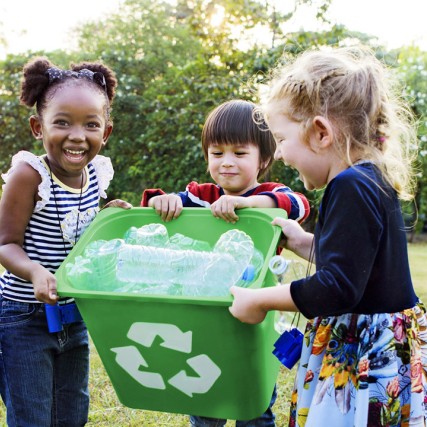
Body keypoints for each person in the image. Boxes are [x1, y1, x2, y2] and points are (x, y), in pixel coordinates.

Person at [229, 46, 427, 427]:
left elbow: (338, 287)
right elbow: (357, 264)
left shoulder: (349, 185)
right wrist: (301, 240)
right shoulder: (371, 176)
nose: (282, 154)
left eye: (282, 139)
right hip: (385, 344)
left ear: (320, 132)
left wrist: (260, 300)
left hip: (363, 354)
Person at [141, 99, 310, 427]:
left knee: (254, 399)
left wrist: (248, 202)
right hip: (204, 312)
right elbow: (164, 206)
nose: (227, 163)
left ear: (263, 158)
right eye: (217, 153)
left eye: (239, 153)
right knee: (206, 394)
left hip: (256, 315)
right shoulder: (201, 195)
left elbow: (297, 204)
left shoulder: (269, 192)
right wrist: (165, 200)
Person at [0, 57, 131, 426]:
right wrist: (36, 273)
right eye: (62, 122)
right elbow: (5, 243)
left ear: (105, 132)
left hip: (74, 315)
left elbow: (81, 235)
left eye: (91, 124)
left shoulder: (96, 173)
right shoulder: (29, 175)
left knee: (73, 413)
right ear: (37, 127)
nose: (77, 135)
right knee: (32, 417)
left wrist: (107, 218)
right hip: (23, 317)